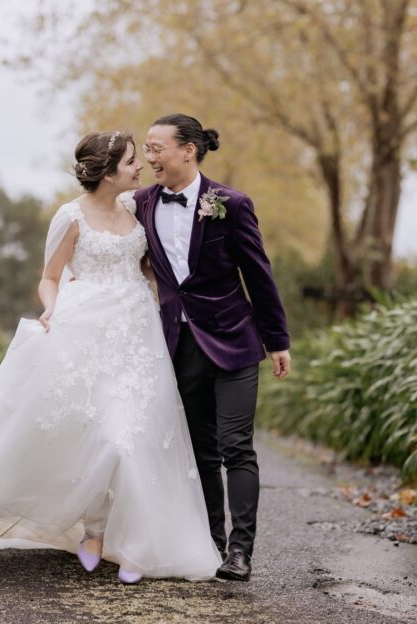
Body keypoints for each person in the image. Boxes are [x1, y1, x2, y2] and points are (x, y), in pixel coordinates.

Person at [0, 131, 222, 584]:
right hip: (85, 331)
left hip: (137, 336)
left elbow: (150, 268)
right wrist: (51, 307)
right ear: (106, 170)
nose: (138, 167)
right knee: (57, 432)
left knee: (127, 437)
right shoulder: (70, 216)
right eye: (130, 162)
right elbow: (50, 276)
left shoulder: (134, 208)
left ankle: (101, 536)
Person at [134, 114, 291, 582]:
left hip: (236, 341)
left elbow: (258, 275)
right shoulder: (140, 204)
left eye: (157, 148)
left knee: (236, 447)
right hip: (179, 345)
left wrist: (277, 340)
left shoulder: (231, 204)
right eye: (145, 148)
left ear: (189, 149)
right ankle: (212, 546)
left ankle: (241, 552)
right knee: (201, 451)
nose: (150, 157)